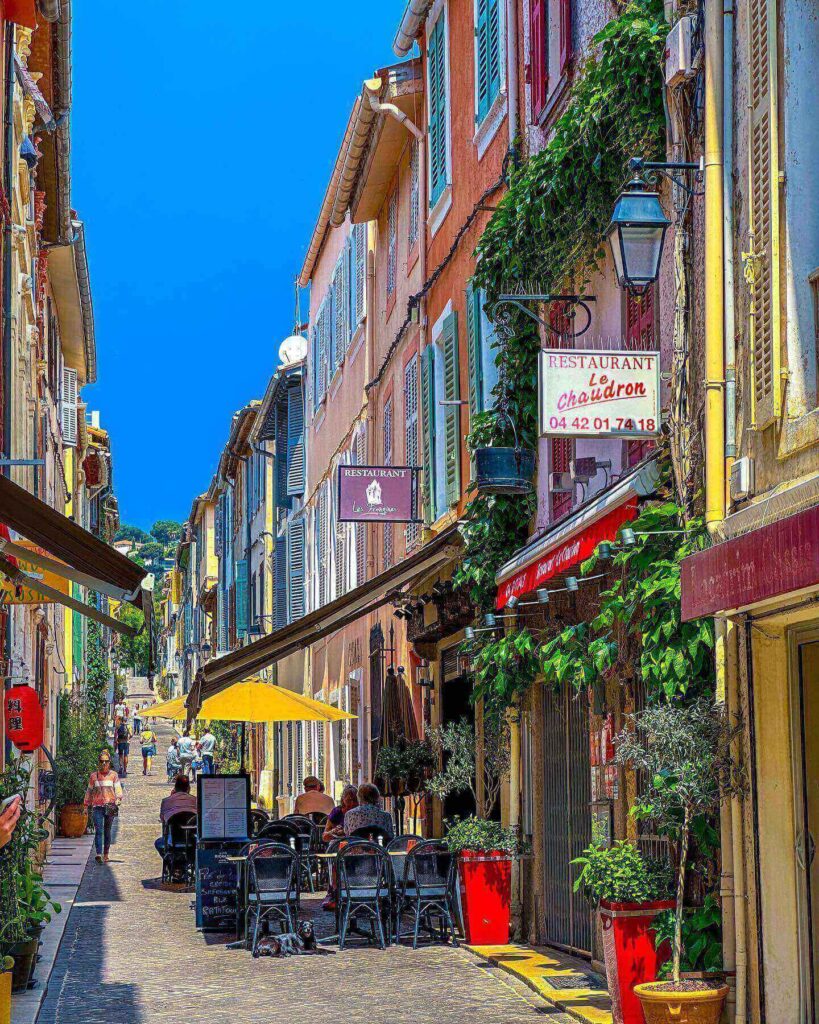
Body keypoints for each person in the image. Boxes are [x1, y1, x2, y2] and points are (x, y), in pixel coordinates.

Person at [84, 750, 123, 863]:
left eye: (106, 761)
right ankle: (99, 853)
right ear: (99, 762)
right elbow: (89, 791)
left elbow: (118, 788)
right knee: (99, 830)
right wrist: (86, 805)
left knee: (107, 830)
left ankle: (106, 853)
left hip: (110, 806)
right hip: (97, 806)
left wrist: (119, 798)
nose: (104, 763)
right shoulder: (94, 776)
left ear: (109, 762)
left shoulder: (113, 775)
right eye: (102, 761)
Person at [154, 775, 198, 859]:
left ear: (175, 788)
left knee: (158, 843)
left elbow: (163, 819)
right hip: (191, 839)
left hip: (173, 840)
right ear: (188, 788)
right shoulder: (195, 801)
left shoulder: (166, 801)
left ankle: (169, 861)